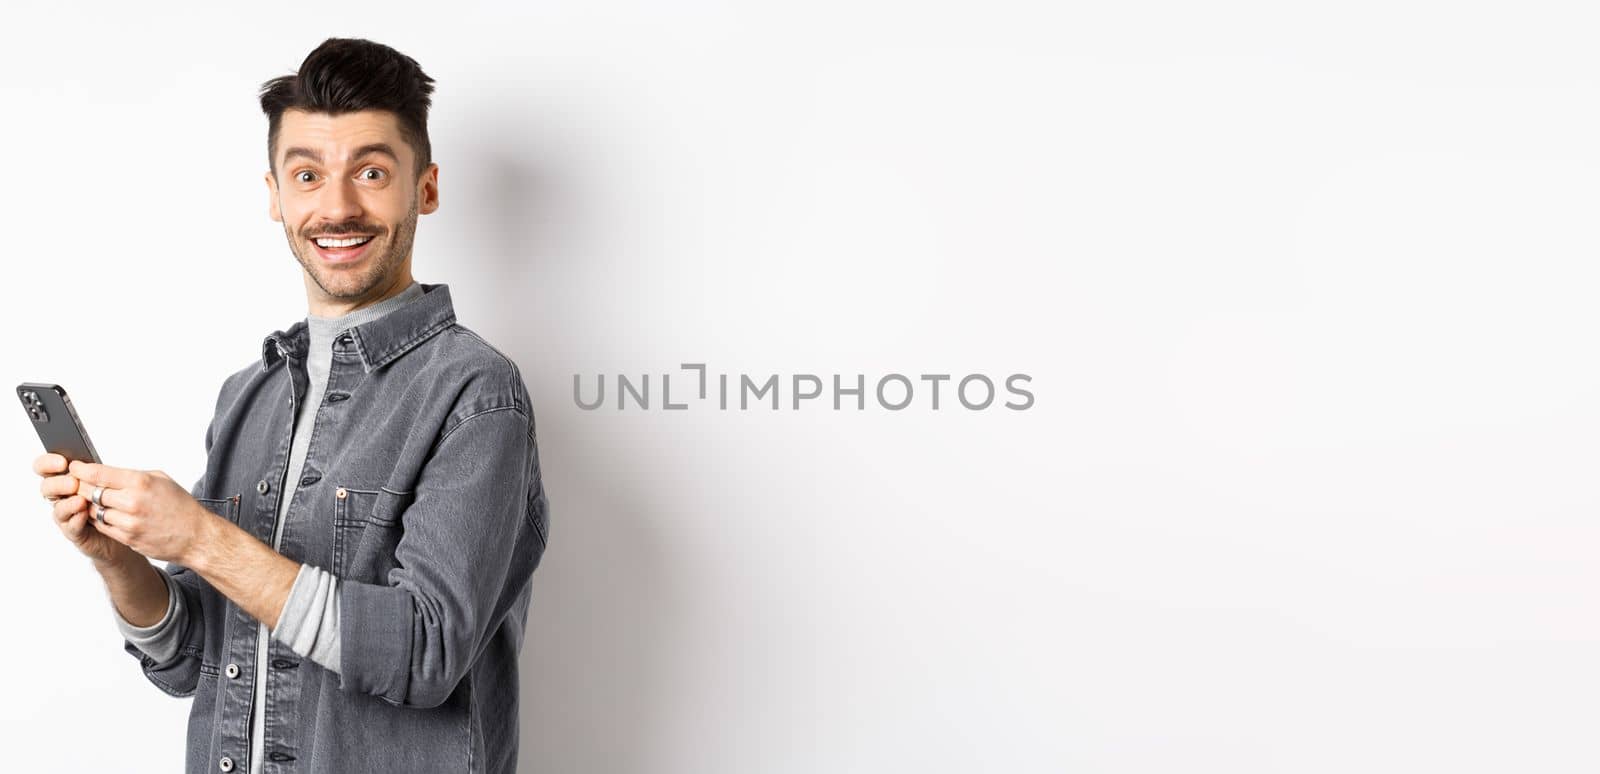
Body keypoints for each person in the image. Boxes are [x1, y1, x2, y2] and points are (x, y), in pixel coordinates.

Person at [31, 37, 550, 774]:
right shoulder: (250, 392)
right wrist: (119, 561)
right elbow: (192, 661)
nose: (336, 207)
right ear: (275, 195)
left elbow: (426, 654)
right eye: (308, 175)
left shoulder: (475, 393)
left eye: (371, 172)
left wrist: (200, 538)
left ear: (424, 190)